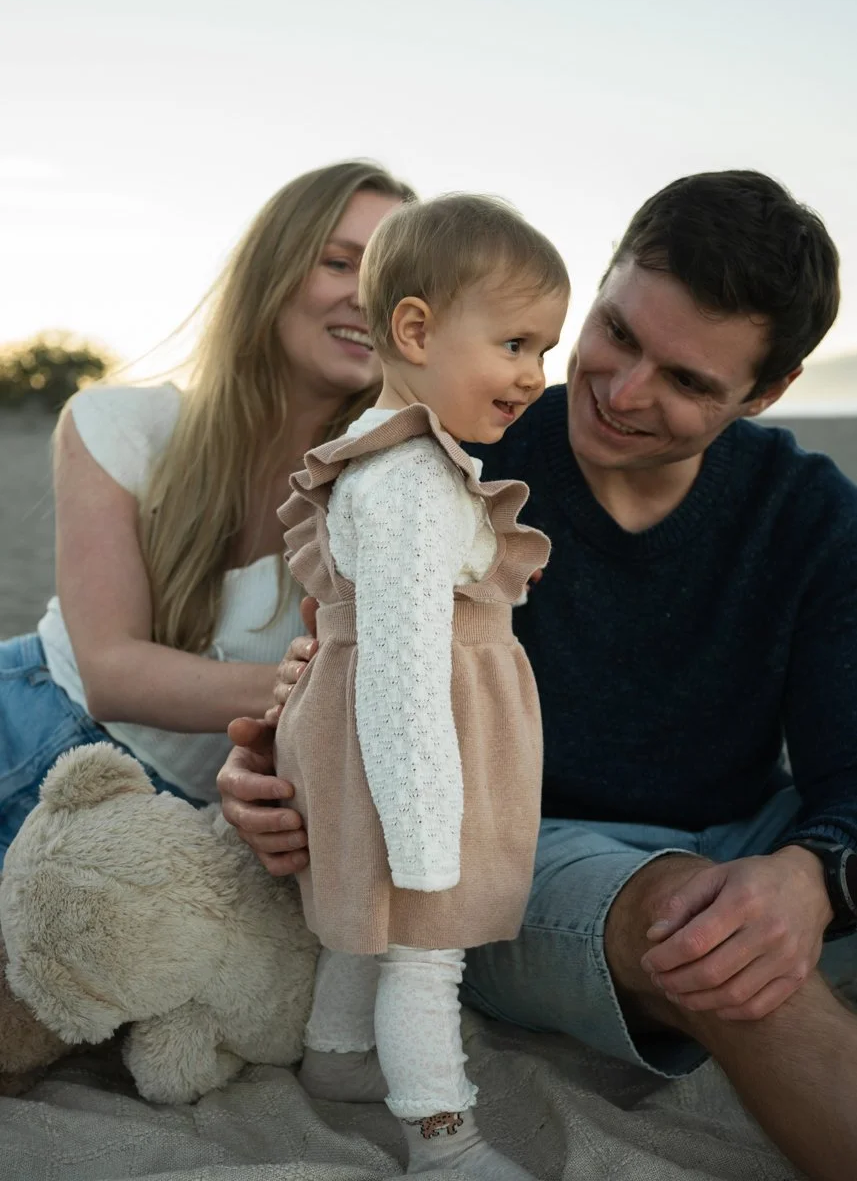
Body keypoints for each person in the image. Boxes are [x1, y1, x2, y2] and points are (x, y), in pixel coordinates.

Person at [219, 170, 857, 1181]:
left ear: (765, 393)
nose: (622, 389)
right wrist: (261, 773)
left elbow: (844, 772)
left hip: (744, 826)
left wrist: (808, 872)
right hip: (510, 853)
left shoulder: (806, 509)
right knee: (707, 932)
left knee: (745, 900)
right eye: (616, 334)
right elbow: (339, 672)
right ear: (599, 283)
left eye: (687, 381)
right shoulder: (454, 449)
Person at [0, 160, 414, 866]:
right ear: (272, 270)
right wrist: (314, 687)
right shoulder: (119, 423)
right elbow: (110, 672)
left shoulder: (397, 497)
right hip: (30, 724)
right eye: (340, 262)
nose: (366, 298)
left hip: (184, 829)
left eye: (397, 282)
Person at [275, 194, 568, 1180]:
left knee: (370, 917)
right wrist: (424, 825)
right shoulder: (403, 485)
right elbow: (401, 664)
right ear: (414, 329)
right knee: (422, 943)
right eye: (516, 342)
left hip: (405, 734)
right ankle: (441, 1142)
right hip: (409, 748)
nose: (534, 375)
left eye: (545, 349)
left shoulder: (409, 463)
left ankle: (338, 1055)